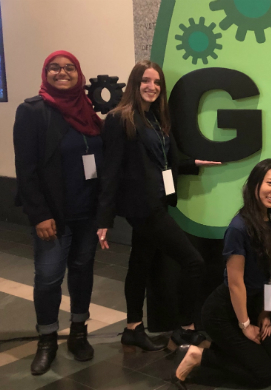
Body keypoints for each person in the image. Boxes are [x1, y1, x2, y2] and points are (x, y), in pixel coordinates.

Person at [96, 60, 220, 352]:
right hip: (143, 207)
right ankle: (185, 328)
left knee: (139, 264)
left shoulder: (156, 119)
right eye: (146, 81)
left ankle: (132, 327)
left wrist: (193, 164)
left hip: (158, 202)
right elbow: (110, 170)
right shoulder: (120, 118)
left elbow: (164, 160)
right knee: (194, 262)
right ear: (134, 84)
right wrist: (104, 218)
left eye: (157, 82)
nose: (152, 87)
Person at [13, 50, 104, 375]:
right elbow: (26, 169)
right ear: (45, 73)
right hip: (54, 216)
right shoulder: (33, 111)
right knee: (49, 278)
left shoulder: (89, 113)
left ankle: (78, 332)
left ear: (79, 74)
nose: (62, 72)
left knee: (82, 272)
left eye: (68, 68)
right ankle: (47, 339)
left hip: (88, 213)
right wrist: (39, 215)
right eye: (55, 68)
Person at [170, 159, 271, 390]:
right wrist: (246, 325)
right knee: (262, 375)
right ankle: (197, 355)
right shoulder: (239, 227)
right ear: (256, 184)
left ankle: (223, 348)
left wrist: (266, 313)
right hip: (224, 312)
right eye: (270, 183)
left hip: (254, 304)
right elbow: (236, 283)